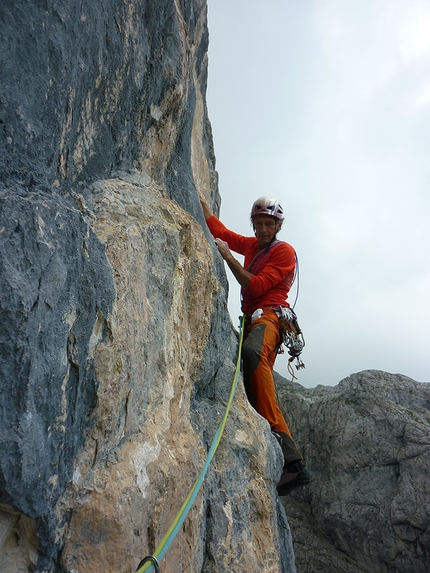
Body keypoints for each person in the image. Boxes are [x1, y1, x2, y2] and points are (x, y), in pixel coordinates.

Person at [200, 195, 311, 496]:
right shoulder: (251, 245)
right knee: (252, 373)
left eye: (268, 224)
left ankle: (283, 444)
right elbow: (222, 234)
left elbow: (258, 286)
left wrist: (229, 259)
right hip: (255, 319)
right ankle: (292, 461)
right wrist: (205, 207)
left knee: (252, 353)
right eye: (258, 224)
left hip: (271, 317)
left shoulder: (284, 251)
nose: (262, 229)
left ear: (277, 226)